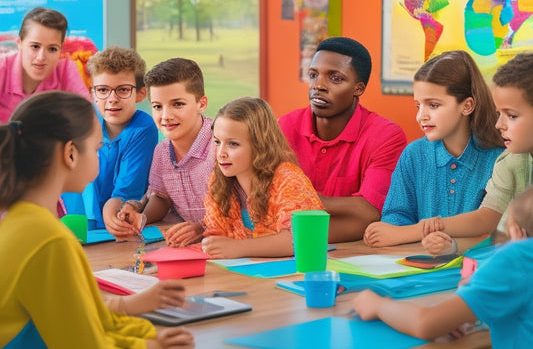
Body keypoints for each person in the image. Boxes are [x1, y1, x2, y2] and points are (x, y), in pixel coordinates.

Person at [0, 91, 194, 349]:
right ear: (70, 154)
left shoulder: (20, 222)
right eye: (97, 148)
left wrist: (143, 345)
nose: (99, 156)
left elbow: (82, 318)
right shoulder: (48, 239)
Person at [352, 184, 533, 349]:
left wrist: (376, 305)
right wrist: (469, 304)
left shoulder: (520, 256)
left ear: (518, 234)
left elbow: (426, 324)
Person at [363, 50, 504, 248]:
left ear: (467, 106)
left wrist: (426, 233)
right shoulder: (413, 155)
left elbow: (493, 227)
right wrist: (390, 231)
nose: (422, 116)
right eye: (418, 105)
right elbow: (396, 215)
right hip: (419, 265)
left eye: (433, 105)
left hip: (479, 267)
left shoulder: (499, 158)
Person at [278, 36, 407, 243]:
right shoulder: (284, 127)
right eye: (313, 75)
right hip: (283, 252)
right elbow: (264, 199)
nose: (318, 85)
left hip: (356, 255)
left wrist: (299, 202)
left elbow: (369, 213)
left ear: (359, 89)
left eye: (335, 78)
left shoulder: (386, 136)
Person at [421, 52, 533, 255]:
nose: (499, 124)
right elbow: (497, 232)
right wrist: (452, 247)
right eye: (499, 114)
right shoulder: (509, 163)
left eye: (512, 115)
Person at [201, 97, 324, 259]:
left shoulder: (287, 178)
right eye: (217, 141)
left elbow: (300, 238)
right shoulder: (219, 182)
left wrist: (239, 248)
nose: (221, 153)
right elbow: (217, 234)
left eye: (233, 144)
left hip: (289, 275)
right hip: (240, 276)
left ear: (260, 145)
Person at [109, 58, 214, 248]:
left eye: (178, 104)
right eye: (158, 106)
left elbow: (242, 206)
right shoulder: (162, 151)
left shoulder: (220, 144)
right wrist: (142, 217)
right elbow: (162, 196)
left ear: (202, 103)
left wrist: (203, 227)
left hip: (234, 244)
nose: (166, 116)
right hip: (192, 246)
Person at [62, 46, 158, 230]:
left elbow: (129, 189)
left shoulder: (143, 129)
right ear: (93, 93)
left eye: (122, 90)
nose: (112, 98)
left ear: (140, 94)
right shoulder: (83, 123)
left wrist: (111, 213)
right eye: (103, 90)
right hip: (78, 220)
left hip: (118, 220)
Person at [0, 7, 90, 123]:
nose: (41, 57)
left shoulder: (65, 69)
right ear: (19, 43)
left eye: (52, 49)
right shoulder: (2, 68)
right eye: (35, 47)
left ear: (60, 50)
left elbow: (88, 118)